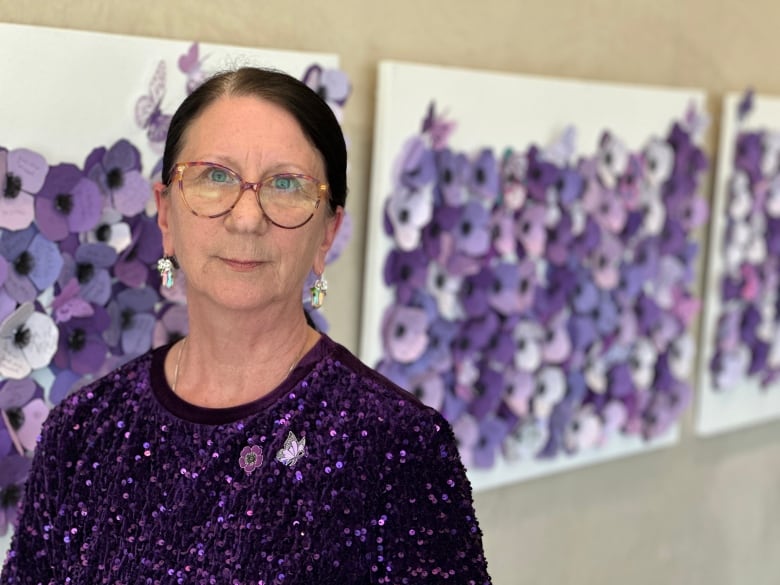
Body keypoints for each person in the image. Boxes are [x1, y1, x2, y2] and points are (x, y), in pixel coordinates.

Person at [1, 67, 492, 584]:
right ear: (166, 213)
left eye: (286, 184)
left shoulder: (397, 446)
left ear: (328, 232)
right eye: (215, 176)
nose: (247, 217)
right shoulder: (82, 430)